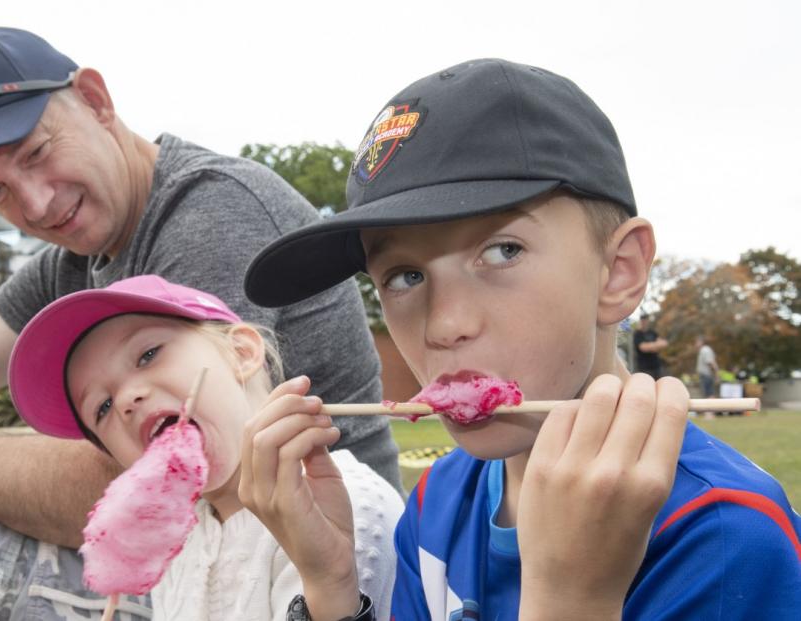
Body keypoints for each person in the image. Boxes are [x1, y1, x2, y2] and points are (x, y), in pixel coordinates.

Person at [0, 27, 402, 620]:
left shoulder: (211, 212)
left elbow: (146, 480)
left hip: (311, 555)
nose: (35, 205)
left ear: (94, 99)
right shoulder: (68, 262)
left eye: (36, 153)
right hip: (198, 554)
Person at [239, 59, 801, 619]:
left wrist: (571, 601)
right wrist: (332, 587)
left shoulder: (724, 534)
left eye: (503, 250)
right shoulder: (439, 500)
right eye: (405, 276)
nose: (443, 325)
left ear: (619, 271)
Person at [6, 275, 402, 619]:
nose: (125, 400)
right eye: (102, 407)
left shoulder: (342, 508)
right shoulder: (178, 536)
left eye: (147, 354)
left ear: (241, 352)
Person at [633, 313, 669, 378]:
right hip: (644, 368)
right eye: (643, 320)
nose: (644, 322)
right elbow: (643, 348)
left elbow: (664, 343)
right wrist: (656, 346)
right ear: (641, 321)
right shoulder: (638, 334)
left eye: (646, 320)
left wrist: (651, 346)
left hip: (656, 366)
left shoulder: (652, 332)